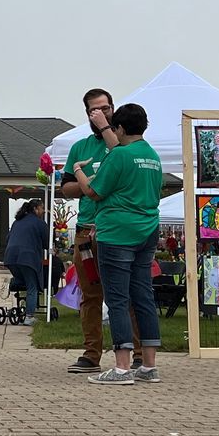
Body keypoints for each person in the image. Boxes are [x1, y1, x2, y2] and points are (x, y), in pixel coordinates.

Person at [77, 102, 183, 386]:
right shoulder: (152, 156)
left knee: (117, 299)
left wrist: (78, 171)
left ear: (120, 128)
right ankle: (148, 365)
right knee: (143, 296)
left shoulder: (120, 155)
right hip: (147, 231)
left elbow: (94, 192)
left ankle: (122, 367)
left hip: (117, 233)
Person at [56, 87, 128, 374]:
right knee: (90, 293)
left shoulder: (122, 141)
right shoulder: (80, 147)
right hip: (87, 230)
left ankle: (132, 353)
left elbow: (121, 157)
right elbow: (66, 187)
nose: (100, 114)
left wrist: (107, 127)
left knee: (123, 293)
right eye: (93, 110)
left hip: (117, 230)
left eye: (105, 108)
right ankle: (91, 353)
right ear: (86, 113)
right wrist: (90, 185)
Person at [1, 200, 46, 319]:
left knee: (22, 280)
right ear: (36, 209)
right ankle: (29, 317)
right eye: (42, 208)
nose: (44, 211)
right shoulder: (39, 223)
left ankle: (11, 284)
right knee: (32, 286)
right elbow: (47, 242)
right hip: (28, 257)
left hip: (10, 256)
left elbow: (8, 239)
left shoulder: (17, 221)